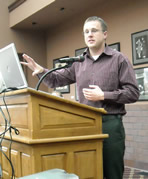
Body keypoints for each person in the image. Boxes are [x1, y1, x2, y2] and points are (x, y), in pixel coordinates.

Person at [21, 16, 139, 179]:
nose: (89, 35)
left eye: (94, 31)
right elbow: (56, 80)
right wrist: (41, 70)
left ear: (105, 34)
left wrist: (104, 95)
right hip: (84, 124)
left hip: (110, 124)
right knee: (87, 170)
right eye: (86, 32)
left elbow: (133, 92)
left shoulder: (119, 59)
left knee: (112, 172)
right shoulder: (79, 61)